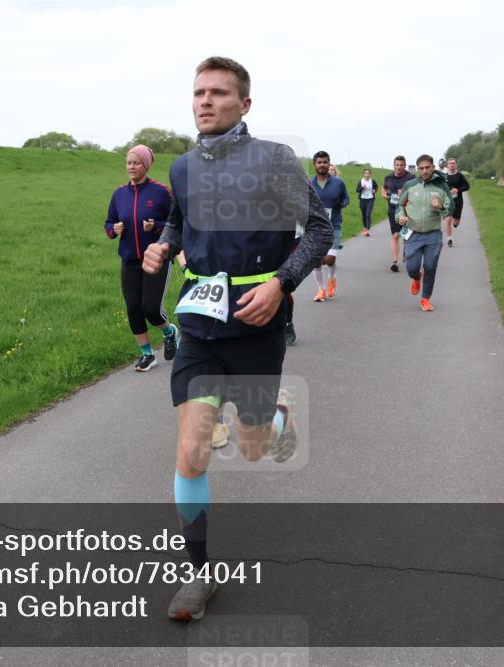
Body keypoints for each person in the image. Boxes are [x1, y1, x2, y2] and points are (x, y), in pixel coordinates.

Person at [142, 56, 332, 621]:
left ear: (244, 104)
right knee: (193, 449)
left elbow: (318, 230)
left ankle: (273, 419)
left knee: (252, 446)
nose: (205, 101)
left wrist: (281, 284)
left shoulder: (274, 160)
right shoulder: (181, 167)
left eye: (219, 93)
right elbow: (180, 221)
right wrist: (165, 246)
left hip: (256, 324)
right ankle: (197, 579)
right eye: (199, 92)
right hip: (199, 325)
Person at [104, 144, 179, 371]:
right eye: (129, 162)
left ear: (146, 165)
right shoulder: (119, 194)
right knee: (133, 308)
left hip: (156, 260)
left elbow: (176, 224)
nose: (131, 167)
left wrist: (155, 226)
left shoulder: (161, 192)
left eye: (136, 162)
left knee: (151, 308)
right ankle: (146, 354)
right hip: (129, 260)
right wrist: (113, 229)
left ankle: (169, 331)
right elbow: (108, 223)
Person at [396, 154, 453, 311]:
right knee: (412, 267)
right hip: (413, 233)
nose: (425, 171)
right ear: (417, 170)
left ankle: (425, 299)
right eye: (421, 168)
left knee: (430, 266)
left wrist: (441, 206)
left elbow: (451, 207)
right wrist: (400, 216)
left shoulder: (442, 186)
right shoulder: (410, 185)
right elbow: (400, 205)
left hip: (433, 234)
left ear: (433, 167)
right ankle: (416, 277)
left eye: (428, 167)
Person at [309, 151, 350, 301]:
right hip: (315, 228)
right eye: (319, 162)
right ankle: (321, 289)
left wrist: (341, 204)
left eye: (325, 162)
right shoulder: (309, 183)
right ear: (315, 164)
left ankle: (331, 278)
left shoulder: (338, 183)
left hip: (334, 226)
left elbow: (346, 198)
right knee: (316, 261)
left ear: (329, 164)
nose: (322, 165)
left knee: (329, 259)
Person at [383, 155, 415, 273]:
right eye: (397, 165)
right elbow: (385, 188)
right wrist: (384, 194)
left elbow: (416, 192)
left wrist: (406, 194)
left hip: (407, 210)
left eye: (401, 165)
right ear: (394, 165)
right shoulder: (388, 177)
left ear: (405, 166)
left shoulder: (411, 177)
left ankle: (406, 251)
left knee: (406, 236)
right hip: (393, 209)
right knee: (395, 235)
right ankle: (395, 262)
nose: (399, 167)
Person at [443, 158, 470, 247]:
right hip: (447, 202)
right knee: (448, 220)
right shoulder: (444, 177)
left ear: (456, 165)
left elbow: (467, 186)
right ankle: (449, 239)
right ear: (447, 165)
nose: (451, 165)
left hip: (458, 201)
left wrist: (457, 190)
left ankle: (456, 223)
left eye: (453, 163)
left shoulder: (460, 176)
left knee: (455, 222)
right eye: (450, 163)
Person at [355, 168, 378, 236]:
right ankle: (365, 227)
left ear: (370, 174)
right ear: (363, 174)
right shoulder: (361, 181)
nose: (367, 174)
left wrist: (375, 190)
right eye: (365, 173)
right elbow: (357, 190)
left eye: (368, 173)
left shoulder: (372, 181)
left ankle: (367, 230)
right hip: (362, 200)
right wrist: (362, 188)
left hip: (370, 199)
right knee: (363, 215)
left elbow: (376, 187)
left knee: (368, 215)